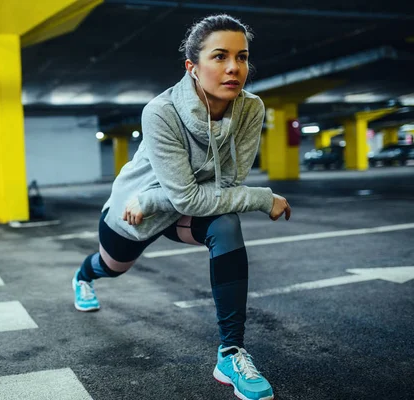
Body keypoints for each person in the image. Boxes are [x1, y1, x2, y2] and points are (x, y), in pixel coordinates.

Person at [72, 14, 291, 400]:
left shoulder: (250, 108)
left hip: (167, 205)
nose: (233, 68)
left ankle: (231, 353)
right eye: (220, 56)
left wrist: (157, 198)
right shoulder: (161, 112)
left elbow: (228, 185)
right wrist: (264, 198)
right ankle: (82, 277)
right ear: (192, 67)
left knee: (225, 225)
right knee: (111, 267)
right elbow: (191, 196)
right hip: (133, 211)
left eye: (242, 57)